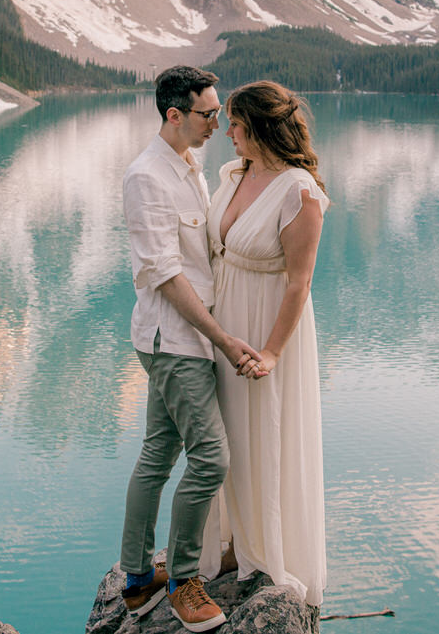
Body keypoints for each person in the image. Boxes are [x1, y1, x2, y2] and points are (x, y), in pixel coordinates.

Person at [119, 65, 264, 633]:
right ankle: (182, 580)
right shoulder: (145, 178)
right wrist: (223, 340)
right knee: (211, 459)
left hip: (186, 339)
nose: (218, 123)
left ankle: (135, 580)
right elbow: (166, 276)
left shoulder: (189, 166)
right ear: (174, 115)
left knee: (157, 454)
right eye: (209, 114)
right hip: (175, 342)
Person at [198, 80, 328, 607]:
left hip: (267, 325)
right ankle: (229, 542)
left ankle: (265, 551)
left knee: (263, 436)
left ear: (260, 128)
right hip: (223, 321)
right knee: (222, 437)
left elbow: (299, 282)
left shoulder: (300, 191)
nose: (225, 132)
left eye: (235, 124)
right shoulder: (235, 173)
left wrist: (272, 352)